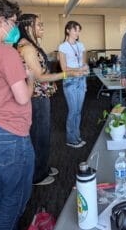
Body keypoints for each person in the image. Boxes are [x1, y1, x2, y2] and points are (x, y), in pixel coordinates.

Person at [16, 14, 81, 185]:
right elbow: (41, 77)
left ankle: (42, 167)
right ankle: (38, 175)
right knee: (39, 136)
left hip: (42, 96)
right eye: (39, 25)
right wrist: (68, 73)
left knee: (43, 134)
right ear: (27, 26)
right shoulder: (27, 48)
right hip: (36, 98)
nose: (42, 28)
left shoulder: (32, 45)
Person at [0, 0, 34, 230]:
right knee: (14, 199)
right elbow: (21, 98)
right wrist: (29, 78)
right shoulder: (5, 53)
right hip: (11, 134)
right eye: (12, 22)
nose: (14, 28)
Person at [58, 21, 89, 148]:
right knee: (73, 111)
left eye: (79, 30)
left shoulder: (80, 45)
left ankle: (76, 135)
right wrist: (79, 69)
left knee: (78, 111)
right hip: (70, 81)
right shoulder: (63, 47)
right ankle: (71, 139)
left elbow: (84, 62)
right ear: (68, 31)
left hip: (81, 79)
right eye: (75, 30)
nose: (77, 33)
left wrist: (84, 67)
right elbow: (64, 68)